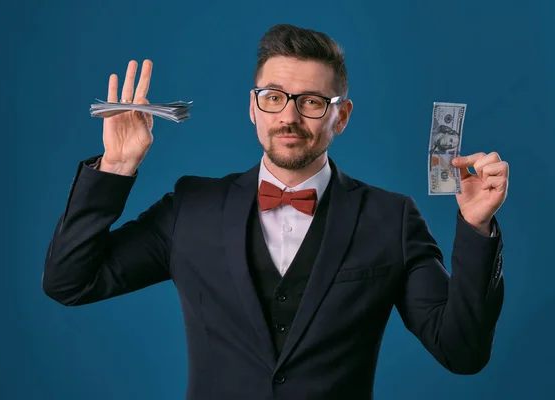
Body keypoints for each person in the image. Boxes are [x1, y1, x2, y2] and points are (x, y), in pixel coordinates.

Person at [42, 24, 509, 400]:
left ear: (340, 116)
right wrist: (116, 168)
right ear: (254, 107)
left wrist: (476, 226)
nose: (289, 116)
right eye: (274, 97)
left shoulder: (392, 218)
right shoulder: (192, 207)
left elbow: (462, 352)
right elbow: (70, 282)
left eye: (311, 102)